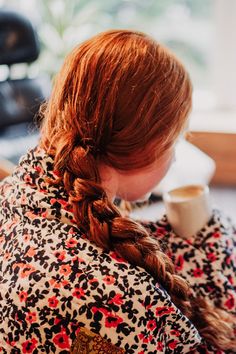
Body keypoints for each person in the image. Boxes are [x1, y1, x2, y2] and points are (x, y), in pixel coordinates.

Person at [0, 29, 235, 354]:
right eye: (174, 140)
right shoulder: (122, 300)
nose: (176, 154)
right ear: (149, 145)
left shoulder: (12, 192)